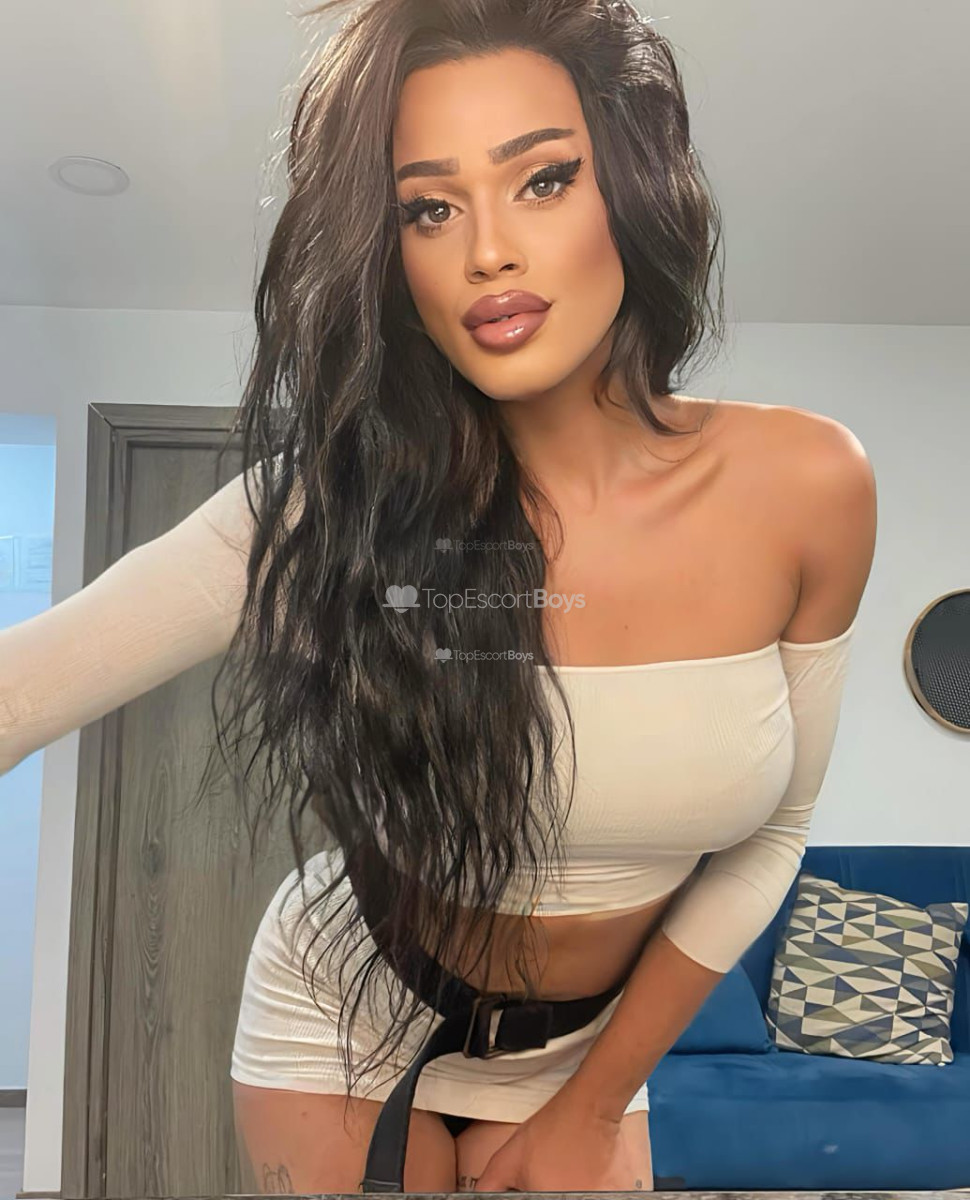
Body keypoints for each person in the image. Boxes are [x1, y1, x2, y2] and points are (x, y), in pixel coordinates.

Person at [1, 0, 877, 1193]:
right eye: (429, 207)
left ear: (630, 188)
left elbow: (773, 835)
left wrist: (591, 1107)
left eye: (543, 180)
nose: (486, 254)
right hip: (346, 1016)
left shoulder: (808, 485)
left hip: (595, 1053)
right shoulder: (324, 508)